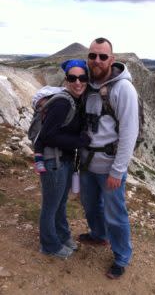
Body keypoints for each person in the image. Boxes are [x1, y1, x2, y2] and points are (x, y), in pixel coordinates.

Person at [79, 37, 139, 278]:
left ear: (112, 60)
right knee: (91, 206)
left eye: (103, 56)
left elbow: (129, 132)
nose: (97, 60)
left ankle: (122, 257)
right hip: (86, 164)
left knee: (115, 214)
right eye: (93, 55)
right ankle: (99, 236)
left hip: (109, 167)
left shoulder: (123, 88)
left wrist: (117, 170)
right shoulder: (86, 83)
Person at [37, 59, 91, 258]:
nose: (78, 82)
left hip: (64, 160)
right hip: (54, 162)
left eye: (82, 77)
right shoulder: (62, 102)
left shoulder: (74, 100)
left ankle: (63, 235)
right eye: (72, 78)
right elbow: (47, 136)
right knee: (51, 206)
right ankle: (49, 245)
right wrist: (79, 141)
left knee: (60, 204)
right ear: (66, 80)